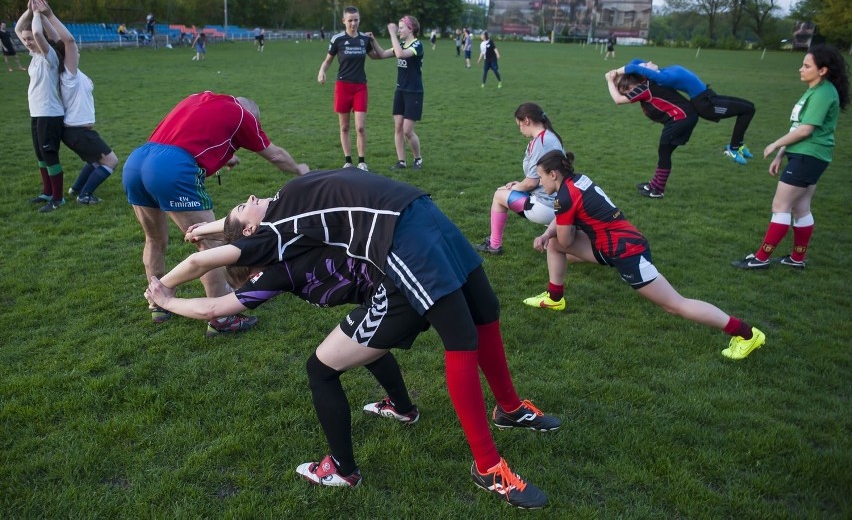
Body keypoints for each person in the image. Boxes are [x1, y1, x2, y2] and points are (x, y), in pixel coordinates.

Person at [163, 169, 560, 508]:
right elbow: (206, 260)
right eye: (242, 207)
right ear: (251, 233)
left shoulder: (284, 204)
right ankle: (488, 466)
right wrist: (160, 291)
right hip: (396, 231)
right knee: (458, 337)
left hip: (418, 209)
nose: (250, 196)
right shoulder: (274, 232)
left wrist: (207, 227)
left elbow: (231, 234)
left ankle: (508, 408)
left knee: (485, 310)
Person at [524, 150, 766, 360]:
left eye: (541, 176)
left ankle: (746, 334)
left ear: (553, 174)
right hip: (613, 243)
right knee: (554, 244)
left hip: (627, 252)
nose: (538, 182)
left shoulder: (564, 197)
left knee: (675, 305)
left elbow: (566, 240)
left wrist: (556, 233)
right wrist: (549, 235)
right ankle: (555, 298)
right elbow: (566, 220)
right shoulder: (577, 180)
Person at [146, 243, 421, 421]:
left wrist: (167, 301)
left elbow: (213, 309)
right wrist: (206, 232)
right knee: (363, 345)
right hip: (397, 276)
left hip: (395, 290)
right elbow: (208, 255)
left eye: (243, 286)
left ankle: (342, 470)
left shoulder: (274, 275)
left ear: (252, 276)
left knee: (320, 370)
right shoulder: (279, 242)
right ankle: (402, 408)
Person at [122, 91, 309, 331]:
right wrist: (300, 169)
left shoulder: (202, 97)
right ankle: (222, 317)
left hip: (138, 161)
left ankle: (158, 304)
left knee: (154, 239)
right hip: (172, 168)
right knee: (208, 241)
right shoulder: (244, 115)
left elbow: (197, 134)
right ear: (252, 116)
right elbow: (275, 155)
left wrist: (226, 157)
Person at [732, 45, 849, 270]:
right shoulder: (815, 90)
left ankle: (761, 258)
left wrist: (776, 143)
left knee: (781, 205)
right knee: (801, 207)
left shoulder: (824, 93)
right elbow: (797, 127)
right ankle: (797, 259)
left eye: (807, 66)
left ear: (822, 70)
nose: (800, 69)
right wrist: (781, 154)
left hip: (809, 155)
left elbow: (806, 130)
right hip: (807, 156)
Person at [34, 0, 119, 205]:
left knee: (95, 160)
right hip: (77, 131)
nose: (75, 49)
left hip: (75, 131)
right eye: (72, 50)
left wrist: (45, 18)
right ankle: (85, 195)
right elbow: (68, 41)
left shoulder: (69, 72)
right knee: (110, 161)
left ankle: (76, 189)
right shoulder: (68, 73)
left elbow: (57, 40)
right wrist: (50, 14)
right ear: (67, 55)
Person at [620, 59, 757, 164]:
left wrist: (636, 67)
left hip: (709, 96)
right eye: (645, 65)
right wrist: (615, 73)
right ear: (646, 73)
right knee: (747, 110)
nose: (648, 62)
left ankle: (737, 145)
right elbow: (633, 67)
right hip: (706, 105)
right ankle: (732, 149)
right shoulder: (664, 78)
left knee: (749, 108)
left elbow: (635, 61)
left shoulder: (661, 71)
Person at [476, 103, 565, 255]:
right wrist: (518, 184)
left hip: (548, 207)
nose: (520, 129)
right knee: (566, 252)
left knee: (499, 195)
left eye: (519, 125)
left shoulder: (542, 143)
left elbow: (532, 182)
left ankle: (494, 245)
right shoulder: (548, 136)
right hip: (558, 202)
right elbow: (537, 178)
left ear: (527, 121)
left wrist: (512, 188)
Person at [605, 69, 699, 198]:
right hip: (681, 118)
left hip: (681, 118)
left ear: (631, 85)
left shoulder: (643, 88)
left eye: (626, 90)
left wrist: (610, 81)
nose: (627, 94)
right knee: (664, 152)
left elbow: (618, 100)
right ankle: (654, 185)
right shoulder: (645, 83)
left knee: (664, 152)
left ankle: (658, 190)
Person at [15, 0, 66, 213]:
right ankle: (47, 192)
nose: (27, 42)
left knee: (49, 154)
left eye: (30, 40)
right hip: (36, 113)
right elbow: (19, 28)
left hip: (50, 113)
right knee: (40, 155)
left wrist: (38, 14)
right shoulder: (34, 55)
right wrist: (28, 10)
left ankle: (58, 198)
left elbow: (37, 33)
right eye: (25, 40)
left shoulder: (49, 56)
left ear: (42, 41)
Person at [317, 6, 382, 171]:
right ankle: (348, 160)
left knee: (360, 127)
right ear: (344, 21)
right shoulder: (337, 39)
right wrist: (322, 71)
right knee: (344, 126)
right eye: (350, 20)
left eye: (356, 20)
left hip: (360, 86)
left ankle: (361, 161)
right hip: (343, 86)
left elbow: (375, 56)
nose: (354, 23)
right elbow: (328, 60)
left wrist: (375, 42)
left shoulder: (364, 39)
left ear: (359, 20)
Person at [371, 16, 425, 171]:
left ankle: (418, 158)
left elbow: (401, 54)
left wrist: (392, 34)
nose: (399, 30)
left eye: (402, 27)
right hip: (400, 90)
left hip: (414, 92)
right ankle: (401, 161)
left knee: (408, 130)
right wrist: (373, 40)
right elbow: (381, 54)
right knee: (398, 128)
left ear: (411, 29)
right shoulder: (400, 44)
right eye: (398, 27)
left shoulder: (417, 45)